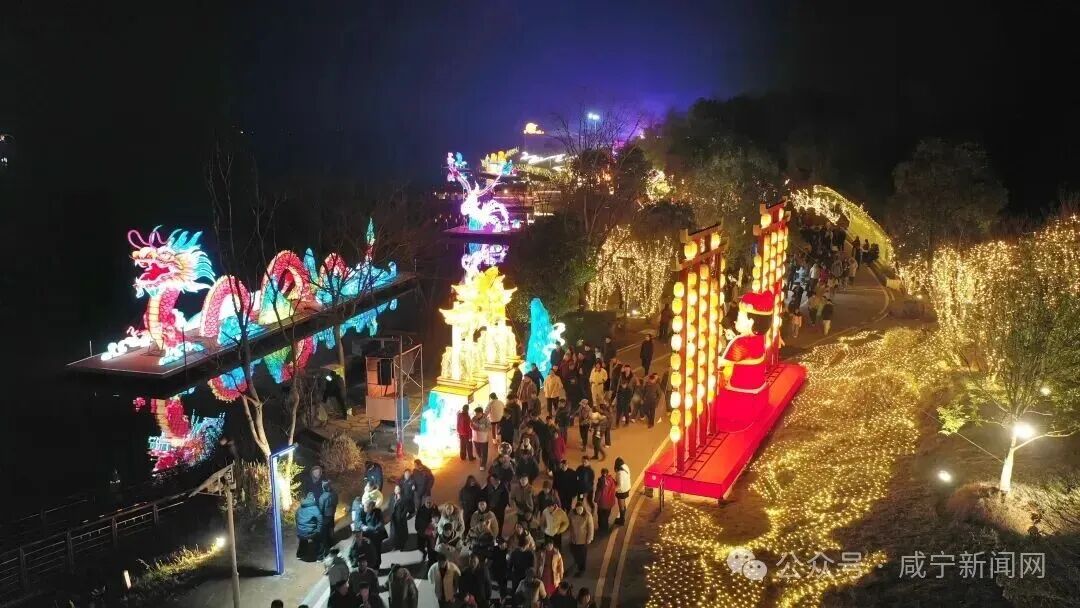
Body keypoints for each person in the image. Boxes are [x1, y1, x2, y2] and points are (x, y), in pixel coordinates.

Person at [353, 500, 387, 568]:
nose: (364, 508)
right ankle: (370, 565)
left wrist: (372, 529)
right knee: (369, 551)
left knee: (377, 551)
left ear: (371, 507)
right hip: (367, 536)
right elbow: (358, 522)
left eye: (366, 507)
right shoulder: (362, 511)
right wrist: (362, 526)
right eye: (364, 507)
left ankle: (377, 566)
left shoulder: (377, 512)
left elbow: (381, 523)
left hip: (376, 536)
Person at [567, 499, 594, 576]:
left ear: (583, 509)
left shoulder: (588, 515)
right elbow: (568, 522)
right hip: (573, 538)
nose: (579, 511)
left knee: (582, 555)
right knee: (574, 552)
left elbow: (590, 528)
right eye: (578, 509)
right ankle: (576, 563)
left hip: (583, 539)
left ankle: (582, 569)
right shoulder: (571, 513)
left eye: (580, 509)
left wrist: (589, 538)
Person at [295, 492, 323, 561]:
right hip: (311, 532)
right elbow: (320, 520)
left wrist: (299, 527)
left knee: (302, 540)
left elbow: (296, 518)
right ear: (313, 499)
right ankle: (319, 557)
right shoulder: (315, 509)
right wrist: (318, 530)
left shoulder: (299, 508)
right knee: (319, 541)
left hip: (300, 532)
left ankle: (300, 555)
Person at [387, 484, 414, 551]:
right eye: (395, 489)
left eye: (398, 489)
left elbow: (406, 508)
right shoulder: (392, 497)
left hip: (401, 519)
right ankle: (395, 545)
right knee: (394, 533)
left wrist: (402, 516)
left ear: (401, 490)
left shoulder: (404, 498)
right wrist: (390, 514)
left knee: (401, 533)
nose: (396, 490)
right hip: (393, 518)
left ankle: (402, 545)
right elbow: (389, 505)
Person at [414, 495, 439, 565]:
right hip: (422, 531)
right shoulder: (421, 510)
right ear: (425, 502)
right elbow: (417, 519)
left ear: (432, 503)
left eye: (430, 502)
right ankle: (424, 553)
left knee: (430, 548)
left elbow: (437, 520)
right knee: (420, 546)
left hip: (430, 533)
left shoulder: (435, 510)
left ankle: (430, 560)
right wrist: (417, 528)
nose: (428, 504)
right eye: (427, 502)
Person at [317, 479, 339, 559]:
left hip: (325, 517)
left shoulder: (323, 497)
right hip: (332, 515)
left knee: (324, 533)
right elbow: (336, 503)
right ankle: (331, 543)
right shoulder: (334, 494)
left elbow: (321, 509)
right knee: (331, 529)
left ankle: (326, 550)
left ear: (324, 487)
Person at [594, 468, 616, 534]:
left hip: (602, 503)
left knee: (600, 516)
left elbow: (599, 491)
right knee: (606, 516)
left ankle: (601, 529)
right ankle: (606, 529)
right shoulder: (611, 480)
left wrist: (596, 499)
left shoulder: (601, 481)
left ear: (601, 473)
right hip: (609, 503)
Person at [614, 458, 631, 526]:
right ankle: (622, 516)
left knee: (621, 505)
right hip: (627, 487)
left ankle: (622, 520)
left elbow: (619, 485)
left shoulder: (619, 473)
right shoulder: (625, 466)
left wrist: (613, 490)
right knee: (623, 503)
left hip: (622, 491)